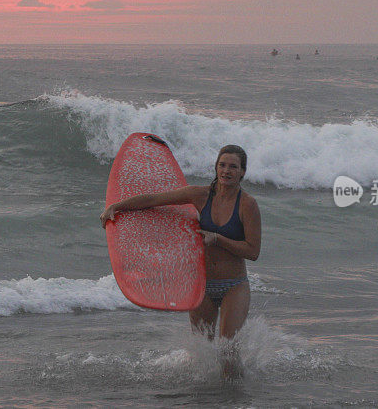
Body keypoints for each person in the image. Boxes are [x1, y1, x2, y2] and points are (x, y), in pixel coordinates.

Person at [100, 145, 261, 376]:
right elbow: (155, 200)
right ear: (216, 167)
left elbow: (253, 251)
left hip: (234, 285)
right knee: (202, 356)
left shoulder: (248, 205)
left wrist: (217, 239)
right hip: (201, 286)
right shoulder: (200, 195)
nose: (227, 170)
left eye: (233, 166)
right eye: (222, 165)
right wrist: (117, 206)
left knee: (228, 354)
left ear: (243, 172)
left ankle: (233, 397)